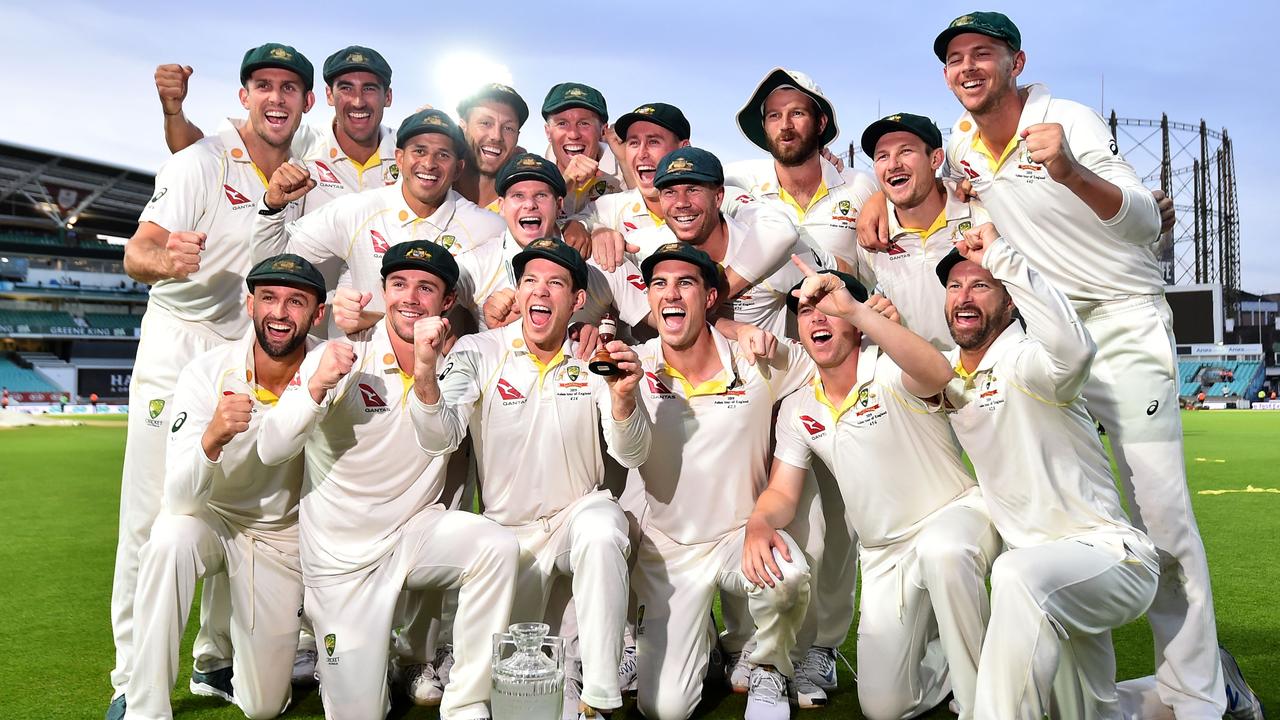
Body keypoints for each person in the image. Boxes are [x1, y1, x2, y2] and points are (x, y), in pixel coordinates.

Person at [905, 13, 1258, 717]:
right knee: (1055, 518)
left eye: (983, 54)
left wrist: (1066, 168)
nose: (967, 67)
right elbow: (979, 210)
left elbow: (1143, 221)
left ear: (1016, 62)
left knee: (1161, 516)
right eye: (954, 59)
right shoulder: (963, 143)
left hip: (1120, 324)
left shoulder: (1066, 119)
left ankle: (1198, 695)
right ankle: (1085, 692)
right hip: (1047, 330)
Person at [111, 43, 314, 717]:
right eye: (264, 85)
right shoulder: (199, 163)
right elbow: (139, 250)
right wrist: (165, 260)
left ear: (306, 102)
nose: (277, 98)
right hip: (179, 347)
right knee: (157, 515)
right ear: (244, 96)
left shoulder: (300, 161)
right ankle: (130, 681)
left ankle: (214, 659)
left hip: (253, 348)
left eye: (290, 87)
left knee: (243, 504)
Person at [256, 240, 518, 720]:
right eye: (398, 284)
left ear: (447, 302)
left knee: (494, 546)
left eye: (426, 287)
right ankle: (352, 658)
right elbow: (271, 448)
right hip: (342, 563)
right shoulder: (338, 360)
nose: (410, 297)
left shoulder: (454, 367)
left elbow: (440, 439)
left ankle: (466, 701)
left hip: (413, 537)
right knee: (361, 714)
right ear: (383, 291)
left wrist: (424, 370)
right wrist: (315, 388)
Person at [412, 237, 650, 719]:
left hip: (575, 519)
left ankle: (600, 698)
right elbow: (440, 438)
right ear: (518, 292)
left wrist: (624, 400)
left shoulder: (594, 354)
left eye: (556, 283)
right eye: (530, 281)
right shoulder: (479, 351)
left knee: (604, 525)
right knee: (524, 701)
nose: (540, 292)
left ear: (577, 301)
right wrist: (424, 373)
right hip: (507, 538)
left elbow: (633, 451)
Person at [748, 262, 999, 717]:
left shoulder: (887, 368)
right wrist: (759, 523)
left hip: (955, 519)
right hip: (885, 556)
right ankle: (954, 657)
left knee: (944, 554)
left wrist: (863, 314)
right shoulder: (799, 407)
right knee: (884, 707)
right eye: (806, 311)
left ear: (856, 315)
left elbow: (939, 373)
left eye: (830, 305)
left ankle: (983, 703)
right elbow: (782, 493)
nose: (818, 317)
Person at [936, 222, 1166, 717]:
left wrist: (1005, 256)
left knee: (1014, 573)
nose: (964, 296)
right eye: (955, 286)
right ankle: (1207, 685)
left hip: (1109, 556)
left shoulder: (1029, 363)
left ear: (1012, 300)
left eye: (981, 284)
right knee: (1096, 713)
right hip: (1050, 582)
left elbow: (1075, 350)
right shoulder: (947, 374)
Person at [122, 254, 325, 720]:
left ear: (318, 314)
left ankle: (230, 660)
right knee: (170, 539)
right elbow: (179, 501)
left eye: (296, 301)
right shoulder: (205, 373)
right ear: (250, 304)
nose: (280, 312)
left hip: (282, 536)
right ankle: (144, 706)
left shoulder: (329, 372)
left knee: (263, 707)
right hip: (214, 520)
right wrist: (211, 439)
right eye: (269, 298)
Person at [628, 242, 814, 720]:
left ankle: (770, 668)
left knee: (787, 576)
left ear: (711, 298)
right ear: (649, 297)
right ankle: (701, 639)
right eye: (659, 284)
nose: (671, 294)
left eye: (685, 283)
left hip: (742, 534)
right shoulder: (636, 365)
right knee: (663, 710)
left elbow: (825, 364)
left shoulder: (756, 356)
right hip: (668, 547)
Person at [251, 108, 504, 335]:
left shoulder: (489, 227)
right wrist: (272, 208)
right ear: (399, 158)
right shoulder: (357, 211)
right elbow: (272, 263)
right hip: (365, 379)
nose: (429, 163)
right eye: (419, 151)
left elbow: (500, 314)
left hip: (444, 378)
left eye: (443, 155)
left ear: (458, 168)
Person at [155, 46, 398, 209]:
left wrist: (432, 130)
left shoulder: (408, 151)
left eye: (369, 88)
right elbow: (194, 148)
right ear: (328, 96)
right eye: (346, 88)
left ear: (387, 97)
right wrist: (173, 112)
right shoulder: (303, 141)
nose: (358, 100)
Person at [857, 113, 989, 349]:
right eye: (882, 156)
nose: (893, 164)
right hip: (917, 380)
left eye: (906, 151)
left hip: (991, 377)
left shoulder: (982, 214)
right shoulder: (872, 236)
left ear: (936, 158)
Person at [541, 83, 626, 216]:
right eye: (562, 123)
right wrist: (564, 184)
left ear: (603, 131)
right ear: (548, 132)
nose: (573, 134)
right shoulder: (533, 175)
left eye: (584, 123)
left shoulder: (626, 173)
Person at [455, 83, 530, 211]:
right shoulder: (433, 190)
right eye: (485, 123)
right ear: (463, 127)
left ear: (517, 136)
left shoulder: (524, 208)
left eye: (508, 128)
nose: (496, 136)